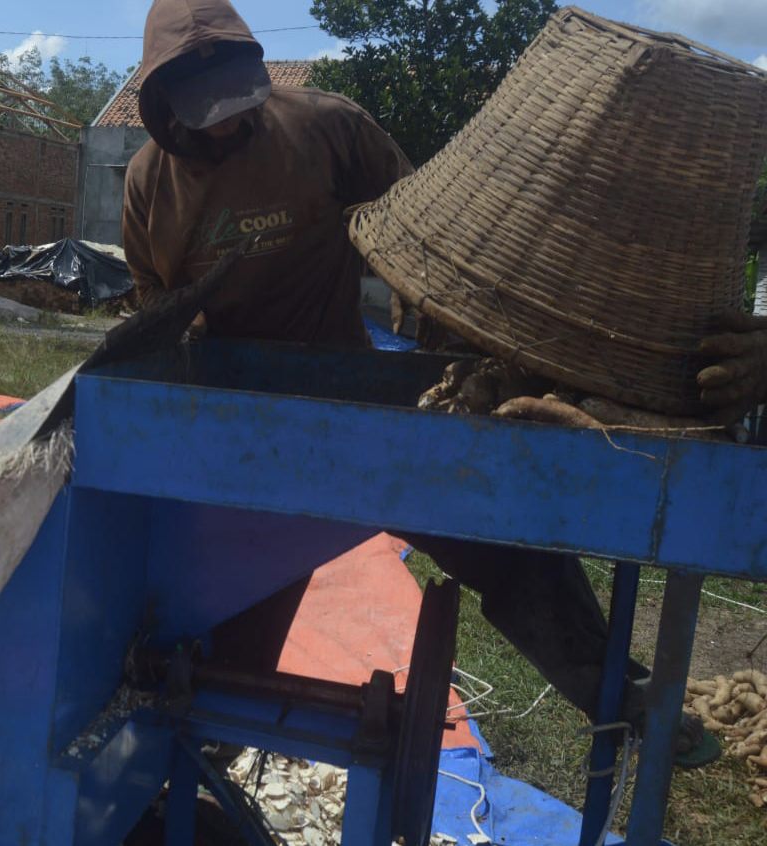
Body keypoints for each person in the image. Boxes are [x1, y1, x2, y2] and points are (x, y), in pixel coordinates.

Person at [124, 0, 767, 769]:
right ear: (166, 107)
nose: (230, 121)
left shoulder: (326, 128)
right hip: (243, 427)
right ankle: (200, 749)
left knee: (502, 539)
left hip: (350, 394)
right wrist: (181, 344)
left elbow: (421, 231)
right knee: (235, 609)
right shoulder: (148, 186)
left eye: (237, 99)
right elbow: (156, 306)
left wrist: (452, 344)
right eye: (209, 111)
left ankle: (617, 692)